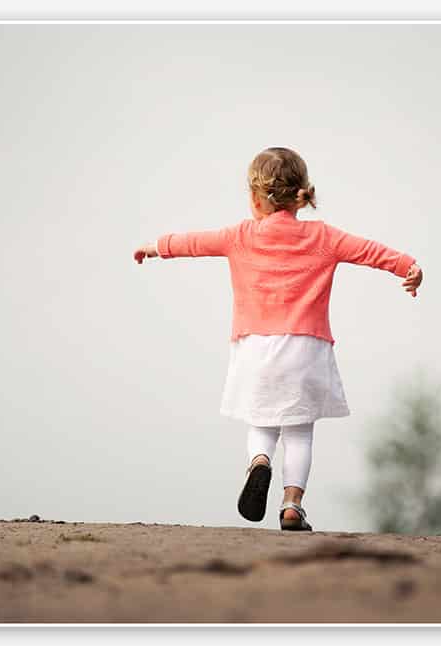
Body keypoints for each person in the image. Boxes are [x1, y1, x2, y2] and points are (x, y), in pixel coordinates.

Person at [132, 146, 423, 531]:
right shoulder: (324, 237)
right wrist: (408, 267)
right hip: (306, 349)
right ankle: (292, 506)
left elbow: (195, 243)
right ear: (300, 194)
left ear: (256, 198)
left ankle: (259, 461)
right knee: (300, 432)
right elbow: (370, 251)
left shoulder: (240, 236)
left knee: (261, 423)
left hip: (255, 347)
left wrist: (156, 247)